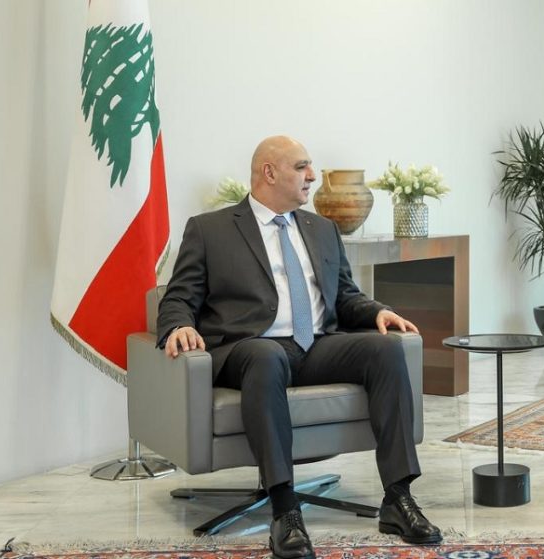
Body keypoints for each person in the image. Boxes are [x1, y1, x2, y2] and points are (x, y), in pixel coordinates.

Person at [156, 135, 442, 559]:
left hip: (316, 346)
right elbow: (178, 296)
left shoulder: (321, 229)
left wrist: (377, 311)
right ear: (269, 173)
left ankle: (398, 499)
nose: (312, 176)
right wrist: (179, 324)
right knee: (267, 355)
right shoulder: (210, 229)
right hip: (249, 349)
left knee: (385, 350)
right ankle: (285, 510)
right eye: (302, 166)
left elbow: (345, 295)